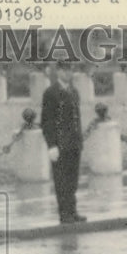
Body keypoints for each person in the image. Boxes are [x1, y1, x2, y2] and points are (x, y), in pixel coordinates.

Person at [40, 60, 86, 225]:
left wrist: (79, 140)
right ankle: (64, 213)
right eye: (65, 70)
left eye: (70, 70)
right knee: (61, 181)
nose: (69, 74)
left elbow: (76, 119)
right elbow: (47, 121)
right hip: (60, 144)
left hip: (73, 143)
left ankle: (72, 211)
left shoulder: (74, 91)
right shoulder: (50, 93)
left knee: (73, 180)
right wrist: (51, 145)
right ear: (59, 72)